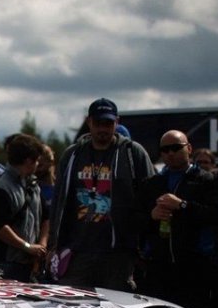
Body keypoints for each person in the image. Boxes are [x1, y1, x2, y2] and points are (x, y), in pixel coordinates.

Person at [48, 98, 155, 292]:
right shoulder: (73, 154)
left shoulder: (132, 153)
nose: (102, 129)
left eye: (108, 123)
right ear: (89, 122)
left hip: (118, 252)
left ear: (117, 122)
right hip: (77, 251)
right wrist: (53, 245)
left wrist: (143, 244)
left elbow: (150, 197)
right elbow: (58, 202)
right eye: (98, 123)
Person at [137, 130, 218, 308]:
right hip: (158, 266)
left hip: (194, 266)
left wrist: (183, 205)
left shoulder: (207, 181)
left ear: (189, 148)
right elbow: (134, 221)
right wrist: (151, 215)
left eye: (176, 148)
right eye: (165, 149)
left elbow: (216, 215)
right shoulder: (151, 183)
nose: (170, 153)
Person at [0, 134, 46, 280]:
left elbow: (46, 216)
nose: (38, 164)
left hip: (30, 263)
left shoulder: (33, 185)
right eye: (36, 160)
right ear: (28, 161)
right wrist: (27, 247)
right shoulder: (2, 186)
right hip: (7, 262)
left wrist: (41, 248)